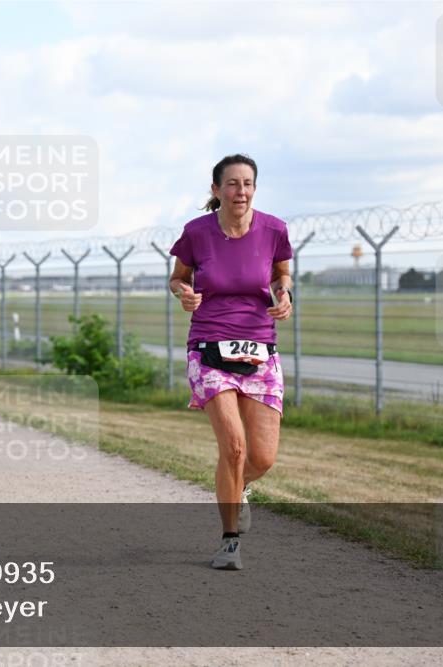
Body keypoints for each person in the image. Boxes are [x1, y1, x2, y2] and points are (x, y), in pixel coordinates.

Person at [168, 154, 293, 571]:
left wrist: (285, 294)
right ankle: (230, 542)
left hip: (260, 348)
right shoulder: (197, 232)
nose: (241, 191)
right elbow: (177, 276)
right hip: (208, 348)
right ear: (216, 189)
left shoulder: (274, 229)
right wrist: (183, 292)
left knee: (262, 458)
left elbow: (281, 274)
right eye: (233, 184)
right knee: (234, 447)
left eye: (248, 183)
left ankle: (235, 489)